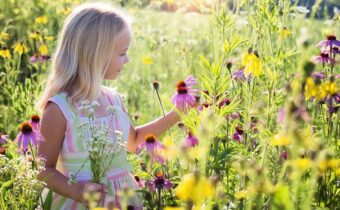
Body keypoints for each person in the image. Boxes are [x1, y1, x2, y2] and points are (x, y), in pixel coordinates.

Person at [37, 3, 181, 209]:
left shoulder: (114, 99)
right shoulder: (60, 109)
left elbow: (133, 142)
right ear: (96, 55)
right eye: (122, 53)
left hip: (123, 200)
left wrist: (177, 114)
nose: (127, 59)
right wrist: (77, 191)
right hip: (78, 202)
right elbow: (43, 169)